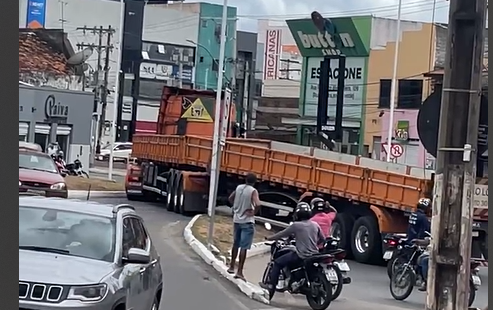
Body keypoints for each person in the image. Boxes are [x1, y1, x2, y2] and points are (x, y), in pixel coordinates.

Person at [259, 202, 325, 300]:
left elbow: (282, 234)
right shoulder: (315, 224)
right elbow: (322, 239)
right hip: (314, 254)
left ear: (298, 214)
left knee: (277, 263)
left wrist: (269, 238)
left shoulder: (296, 225)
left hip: (301, 255)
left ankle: (271, 286)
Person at [227, 173, 261, 281]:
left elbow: (230, 198)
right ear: (255, 182)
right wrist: (253, 212)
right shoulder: (253, 191)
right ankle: (240, 272)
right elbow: (258, 203)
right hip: (247, 221)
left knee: (235, 244)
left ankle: (231, 267)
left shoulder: (239, 187)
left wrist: (236, 207)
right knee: (244, 247)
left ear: (245, 180)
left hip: (236, 219)